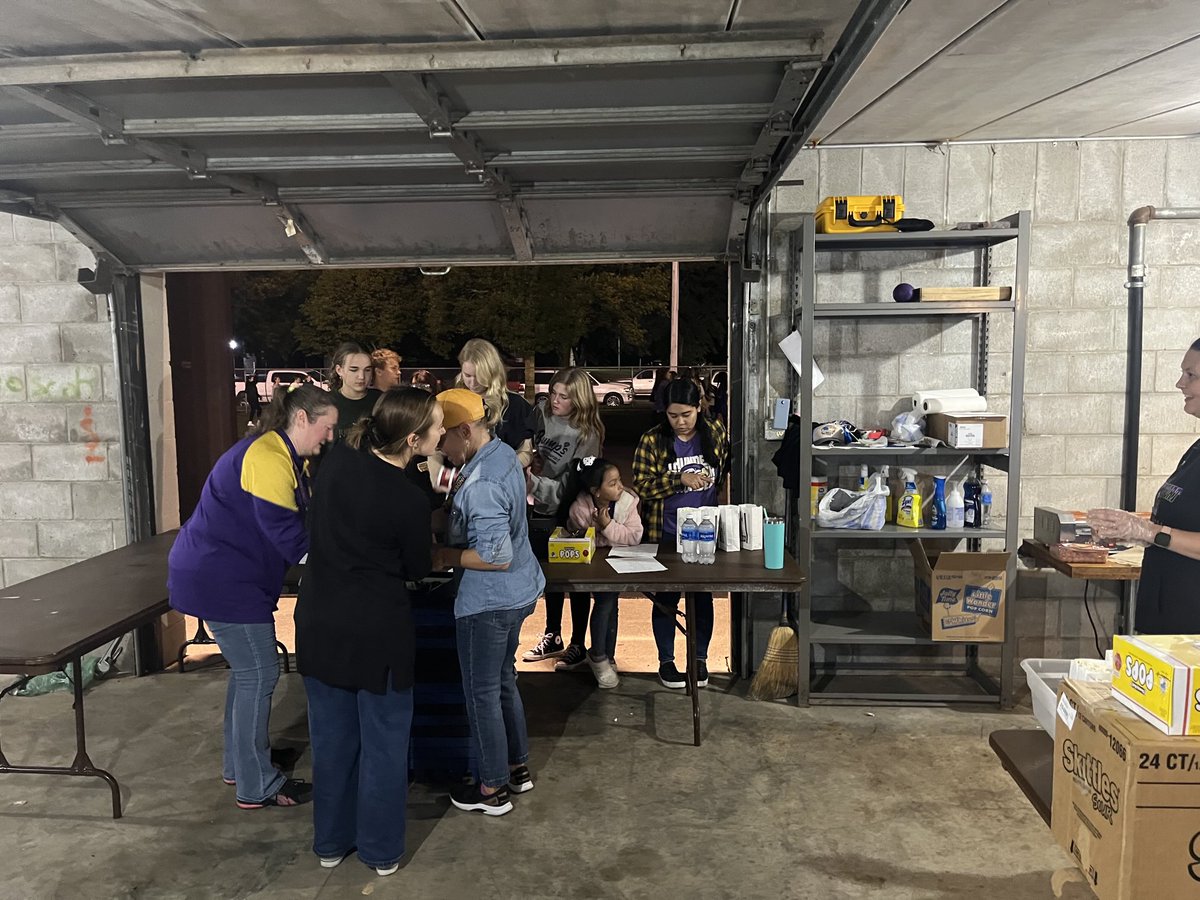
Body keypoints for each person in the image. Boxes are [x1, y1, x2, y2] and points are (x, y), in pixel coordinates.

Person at [294, 388, 443, 876]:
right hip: (377, 632)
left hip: (319, 624)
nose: (443, 433)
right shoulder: (407, 498)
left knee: (332, 743)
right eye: (438, 426)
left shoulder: (336, 462)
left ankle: (331, 843)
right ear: (414, 438)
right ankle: (380, 851)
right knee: (382, 745)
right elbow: (418, 566)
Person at [167, 384, 337, 809]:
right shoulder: (265, 458)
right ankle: (256, 784)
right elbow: (289, 535)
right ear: (302, 419)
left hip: (227, 575)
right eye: (327, 427)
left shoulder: (283, 455)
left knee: (248, 675)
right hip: (223, 580)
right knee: (260, 674)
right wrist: (344, 566)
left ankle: (239, 765)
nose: (329, 437)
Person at [432, 389, 546, 816]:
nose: (439, 445)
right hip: (519, 591)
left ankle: (491, 789)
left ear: (465, 430)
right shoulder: (500, 454)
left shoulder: (481, 482)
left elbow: (495, 557)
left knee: (480, 692)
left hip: (489, 602)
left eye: (443, 436)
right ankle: (516, 768)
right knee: (501, 682)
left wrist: (442, 555)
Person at [1089, 338, 1200, 634]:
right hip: (1166, 621)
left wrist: (1148, 532)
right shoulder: (1196, 451)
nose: (1180, 383)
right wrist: (1129, 530)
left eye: (1192, 375)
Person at [632, 378, 729, 689]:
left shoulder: (714, 433)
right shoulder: (652, 440)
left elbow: (723, 470)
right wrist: (679, 480)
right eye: (673, 416)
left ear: (699, 408)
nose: (681, 422)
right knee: (666, 597)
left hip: (704, 532)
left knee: (701, 597)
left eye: (686, 414)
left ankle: (699, 659)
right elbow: (642, 485)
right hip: (665, 532)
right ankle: (666, 661)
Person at [521, 367, 605, 670]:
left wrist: (532, 483)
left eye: (564, 397)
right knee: (549, 579)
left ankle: (578, 643)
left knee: (575, 579)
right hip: (535, 509)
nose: (555, 400)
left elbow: (574, 484)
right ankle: (552, 635)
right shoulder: (541, 413)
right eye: (553, 393)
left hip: (567, 513)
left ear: (579, 400)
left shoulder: (587, 432)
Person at [563, 457, 643, 688]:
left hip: (616, 565)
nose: (620, 486)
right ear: (596, 491)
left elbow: (634, 537)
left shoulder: (627, 502)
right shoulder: (579, 508)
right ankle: (598, 655)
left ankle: (607, 654)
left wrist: (608, 526)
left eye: (619, 481)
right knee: (605, 603)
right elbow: (583, 541)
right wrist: (600, 529)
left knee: (611, 603)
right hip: (588, 567)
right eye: (613, 483)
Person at [456, 338, 535, 458]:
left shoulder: (515, 405)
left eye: (479, 376)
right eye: (467, 375)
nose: (472, 383)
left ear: (492, 372)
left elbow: (525, 453)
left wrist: (499, 471)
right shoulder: (453, 401)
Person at [328, 342, 380, 443]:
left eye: (367, 370)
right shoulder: (324, 403)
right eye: (354, 370)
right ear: (339, 370)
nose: (361, 376)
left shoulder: (382, 401)